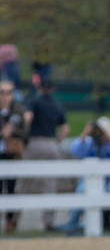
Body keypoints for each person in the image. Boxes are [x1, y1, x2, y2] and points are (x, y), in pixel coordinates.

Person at [64, 116, 110, 235]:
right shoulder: (90, 143)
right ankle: (71, 226)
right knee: (81, 192)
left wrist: (109, 137)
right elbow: (74, 150)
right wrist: (85, 134)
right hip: (91, 181)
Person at [20, 79, 68, 232]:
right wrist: (56, 142)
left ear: (39, 89)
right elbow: (65, 129)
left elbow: (28, 117)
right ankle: (48, 223)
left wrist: (24, 135)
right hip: (51, 144)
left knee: (24, 183)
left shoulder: (33, 102)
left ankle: (13, 220)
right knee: (50, 184)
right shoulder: (57, 105)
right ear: (52, 90)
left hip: (34, 142)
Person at [0, 79, 28, 231]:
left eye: (8, 92)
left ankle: (10, 220)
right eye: (2, 92)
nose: (5, 96)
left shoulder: (19, 110)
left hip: (12, 152)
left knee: (11, 188)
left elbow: (25, 133)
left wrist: (12, 132)